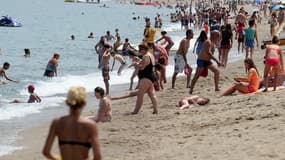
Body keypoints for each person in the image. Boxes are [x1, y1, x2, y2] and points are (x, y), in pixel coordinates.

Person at [42, 86, 101, 160]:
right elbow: (97, 156)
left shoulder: (57, 123)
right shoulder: (90, 125)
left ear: (67, 102)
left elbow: (46, 152)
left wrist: (58, 159)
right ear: (84, 103)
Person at [132, 44, 158, 114]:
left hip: (145, 77)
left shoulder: (145, 56)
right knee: (152, 94)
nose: (139, 51)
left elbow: (142, 67)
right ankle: (155, 109)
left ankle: (136, 111)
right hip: (151, 76)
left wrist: (135, 64)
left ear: (144, 49)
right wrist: (139, 60)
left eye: (140, 49)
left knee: (140, 95)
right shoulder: (150, 54)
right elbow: (147, 64)